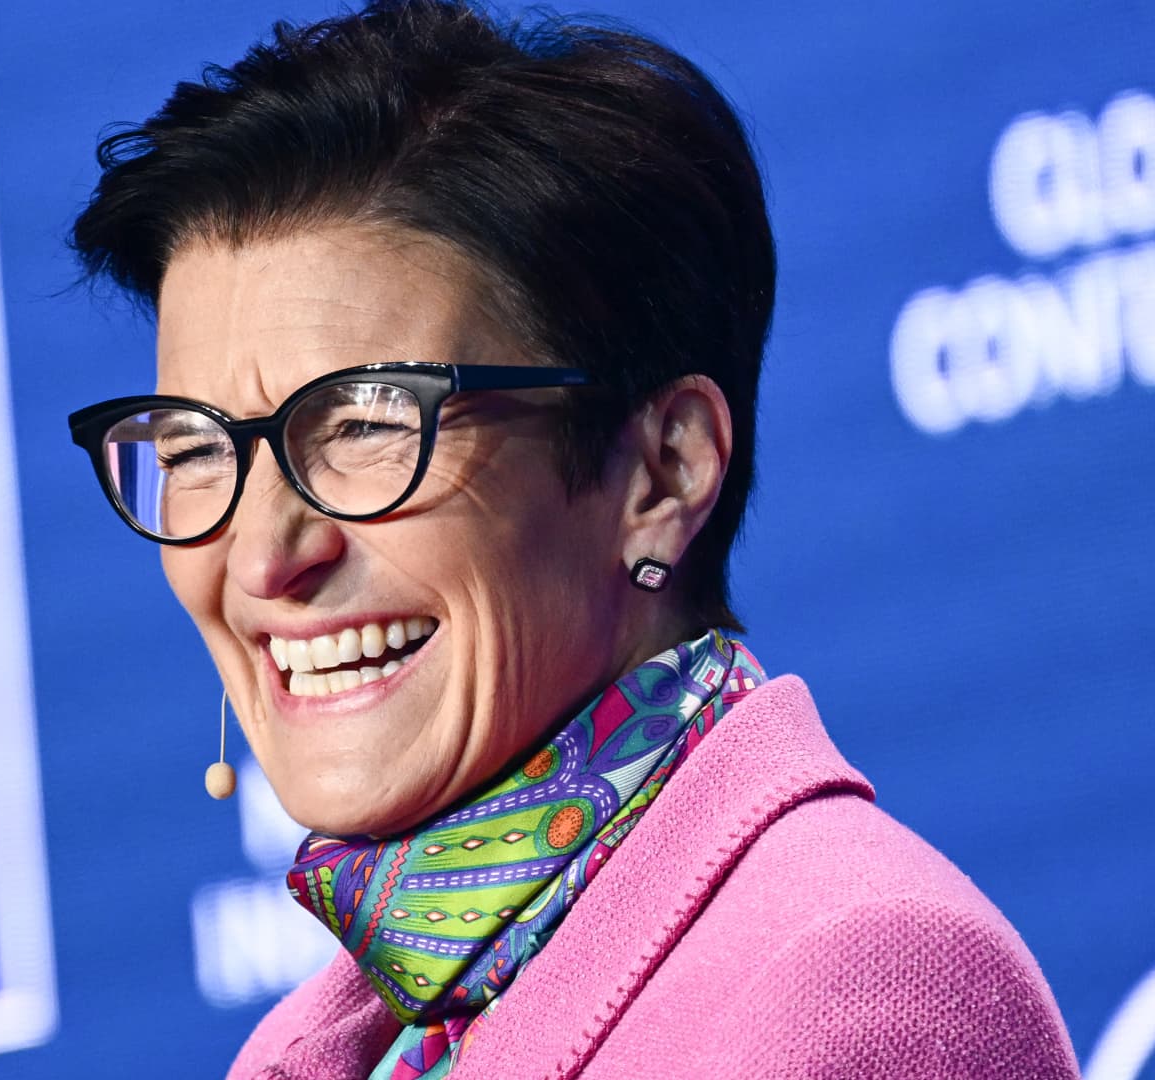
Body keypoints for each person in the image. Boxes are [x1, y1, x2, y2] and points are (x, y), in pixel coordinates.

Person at [65, 1, 1079, 1076]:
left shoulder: (860, 981)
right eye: (196, 448)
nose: (264, 559)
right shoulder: (324, 1045)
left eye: (366, 424)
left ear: (663, 471)